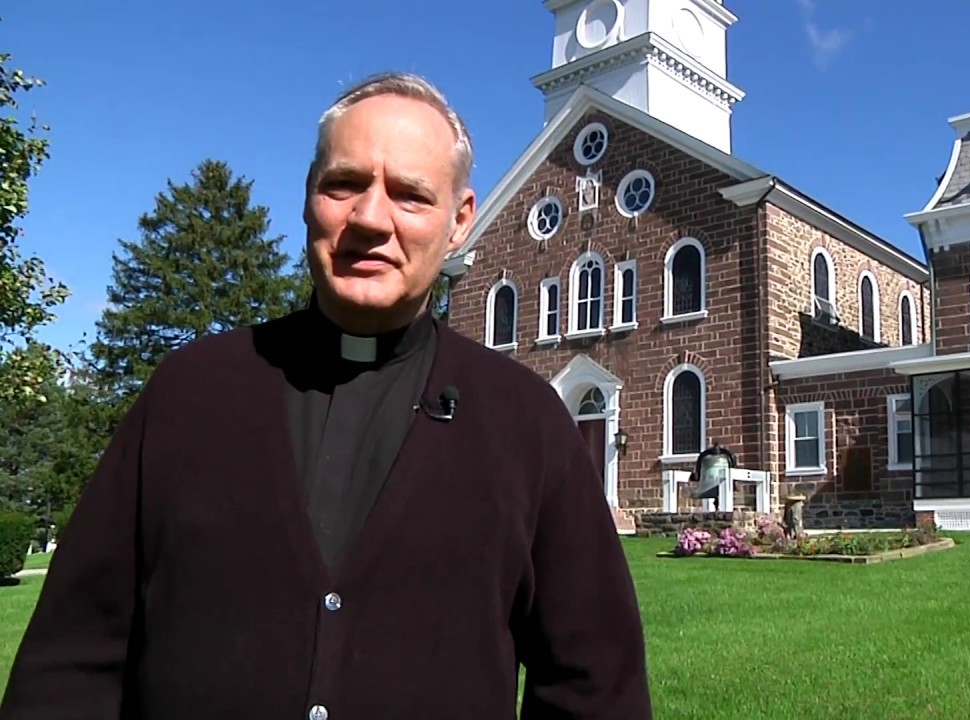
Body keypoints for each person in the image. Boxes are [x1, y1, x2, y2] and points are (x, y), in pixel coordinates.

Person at [0, 72, 653, 719]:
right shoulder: (190, 393)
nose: (370, 219)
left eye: (410, 196)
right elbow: (72, 661)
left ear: (459, 222)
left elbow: (595, 690)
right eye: (344, 185)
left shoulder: (526, 423)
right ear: (309, 194)